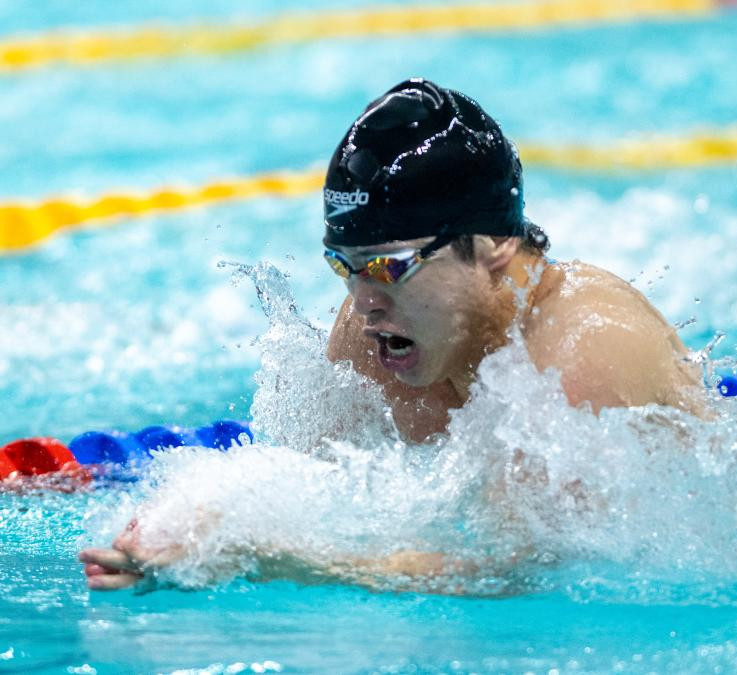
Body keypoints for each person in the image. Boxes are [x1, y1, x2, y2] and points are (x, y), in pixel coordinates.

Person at [80, 78, 703, 591]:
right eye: (345, 266)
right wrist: (193, 520)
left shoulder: (584, 351)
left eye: (389, 267)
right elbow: (314, 488)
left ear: (494, 244)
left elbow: (521, 573)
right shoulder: (374, 336)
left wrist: (259, 555)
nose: (364, 302)